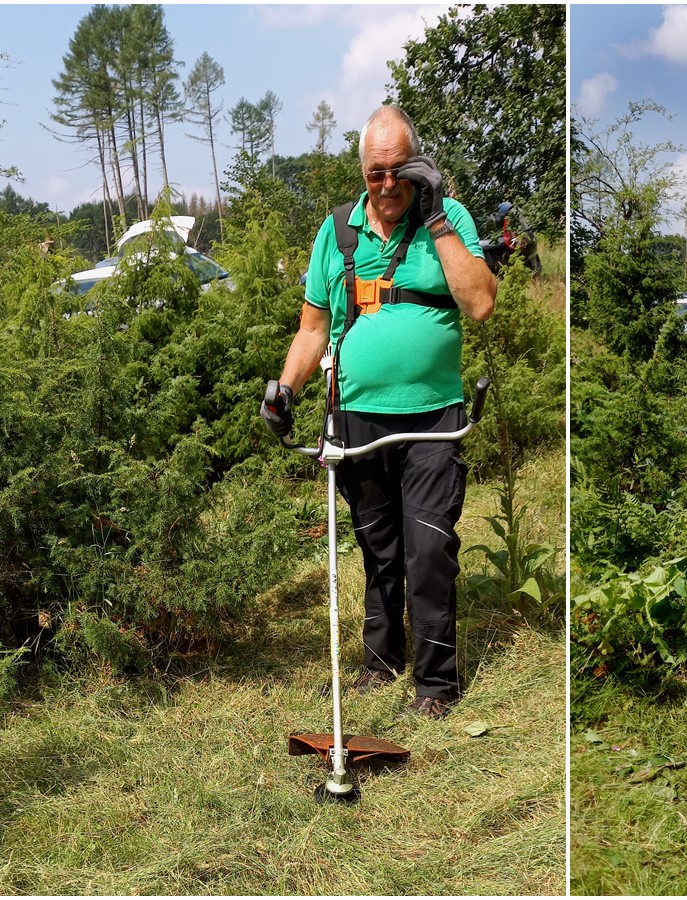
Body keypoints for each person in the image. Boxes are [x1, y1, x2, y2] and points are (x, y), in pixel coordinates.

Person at [261, 105, 496, 719]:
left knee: (429, 545)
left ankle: (436, 683)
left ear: (417, 165)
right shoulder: (335, 232)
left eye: (399, 170)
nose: (388, 185)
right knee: (380, 548)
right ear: (361, 171)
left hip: (431, 414)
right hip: (356, 416)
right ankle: (381, 661)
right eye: (375, 173)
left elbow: (479, 303)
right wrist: (286, 390)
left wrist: (440, 215)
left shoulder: (447, 219)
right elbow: (313, 330)